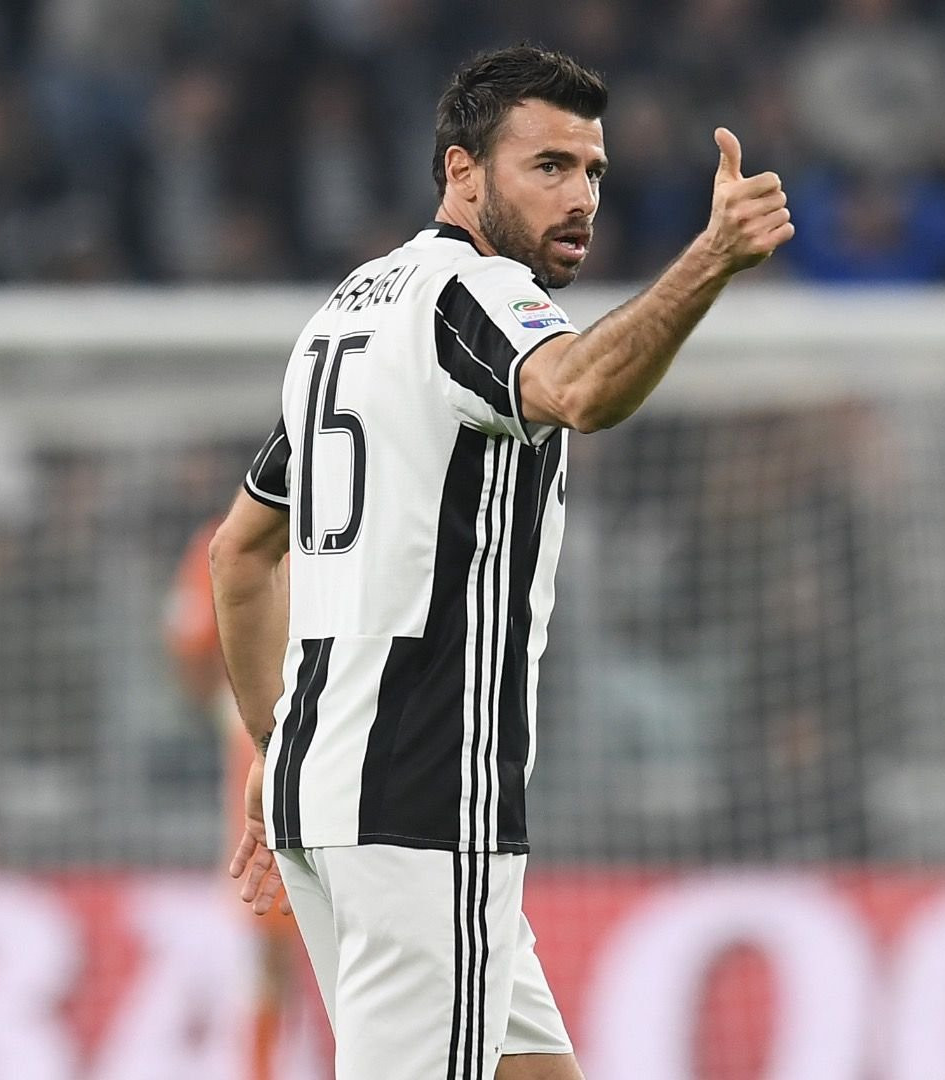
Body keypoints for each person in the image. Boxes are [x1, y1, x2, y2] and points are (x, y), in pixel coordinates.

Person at [208, 44, 791, 1079]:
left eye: (594, 171)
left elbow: (241, 552)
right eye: (548, 166)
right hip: (424, 800)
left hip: (333, 796)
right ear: (462, 171)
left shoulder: (350, 310)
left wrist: (275, 740)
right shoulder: (471, 297)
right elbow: (580, 390)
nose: (580, 198)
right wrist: (710, 259)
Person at [164, 517, 306, 1079]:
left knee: (279, 938)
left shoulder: (227, 538)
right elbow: (188, 646)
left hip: (286, 731)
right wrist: (236, 703)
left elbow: (186, 643)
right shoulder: (223, 541)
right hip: (281, 734)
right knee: (272, 938)